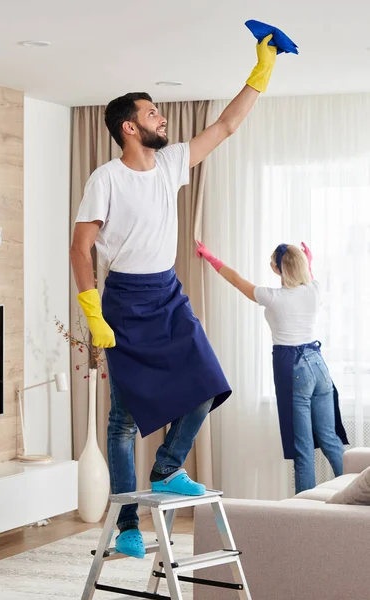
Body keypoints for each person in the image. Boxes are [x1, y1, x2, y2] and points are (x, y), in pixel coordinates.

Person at [70, 35, 278, 559]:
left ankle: (166, 469)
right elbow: (80, 249)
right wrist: (92, 311)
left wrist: (262, 70)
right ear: (129, 127)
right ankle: (127, 526)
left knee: (207, 385)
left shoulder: (170, 165)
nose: (162, 121)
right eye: (153, 114)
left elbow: (227, 125)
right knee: (122, 418)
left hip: (167, 294)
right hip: (123, 300)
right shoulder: (106, 178)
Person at [196, 240, 348, 494]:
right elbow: (306, 276)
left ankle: (303, 514)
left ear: (280, 270)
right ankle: (359, 499)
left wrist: (211, 258)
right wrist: (306, 262)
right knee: (330, 439)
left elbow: (236, 280)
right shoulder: (315, 289)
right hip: (318, 365)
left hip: (294, 368)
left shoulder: (273, 297)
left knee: (303, 448)